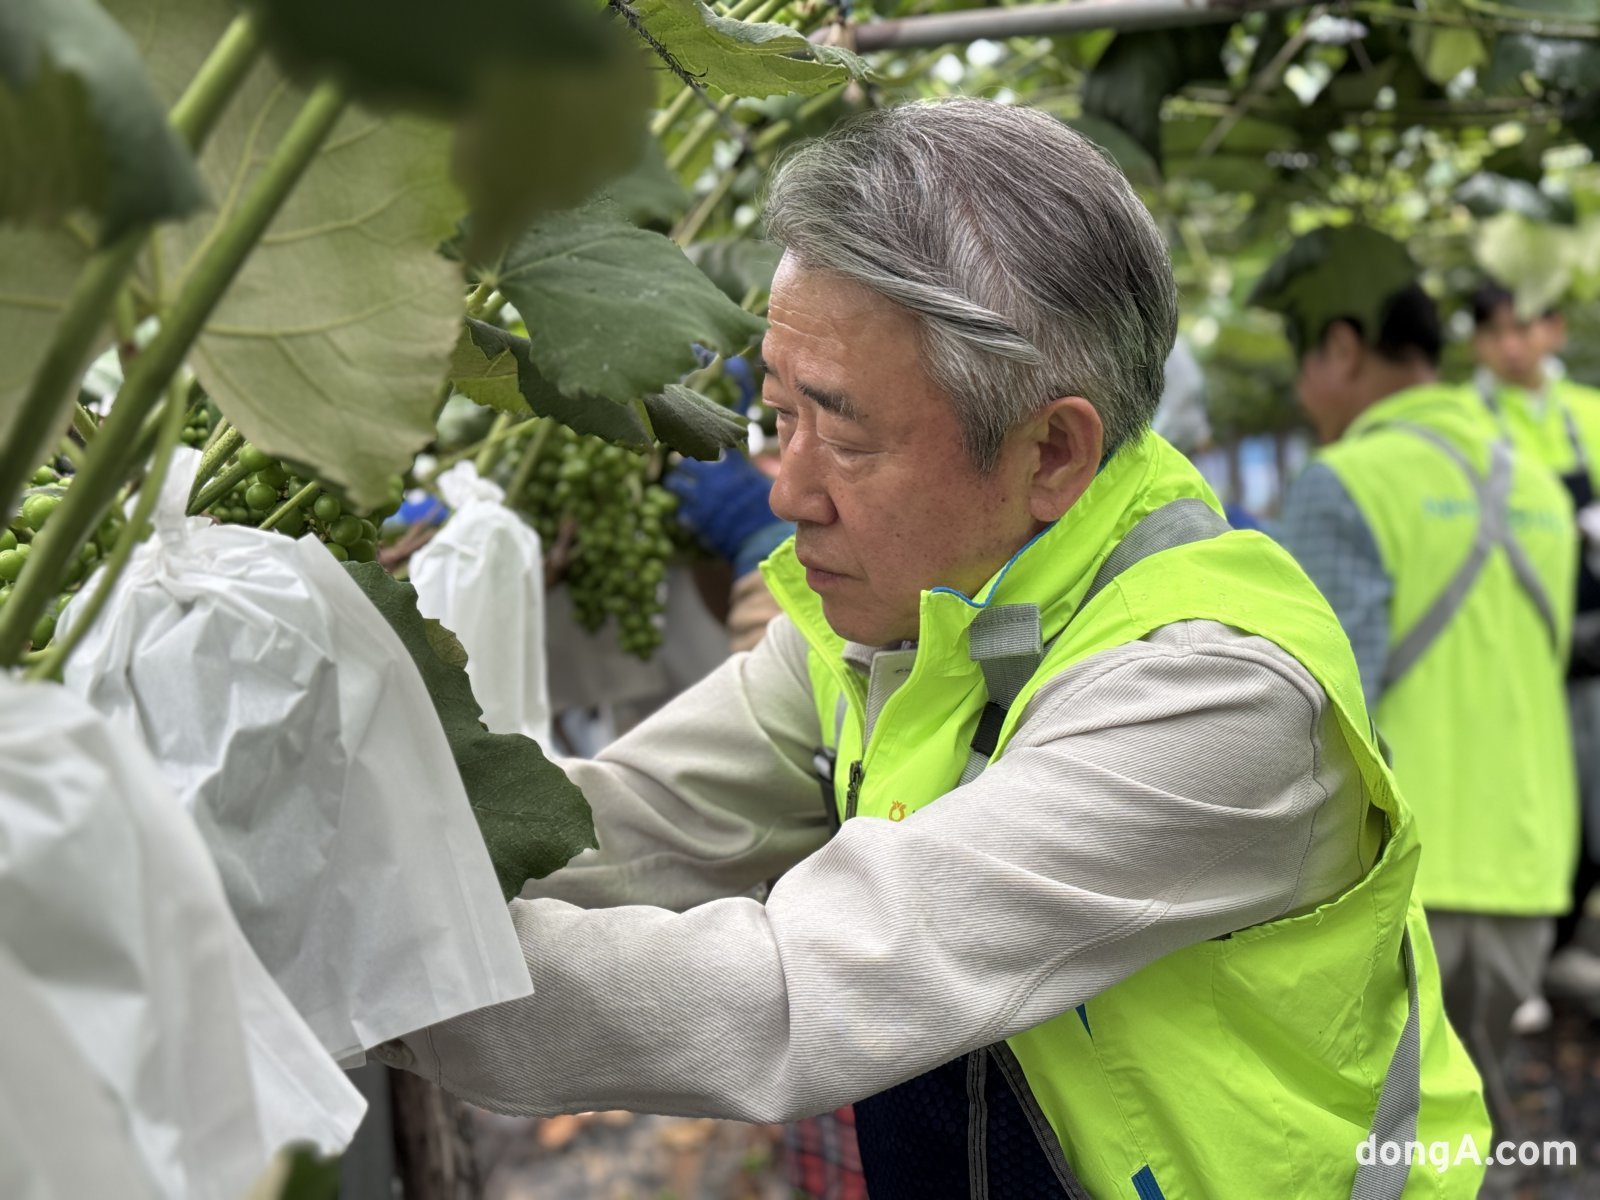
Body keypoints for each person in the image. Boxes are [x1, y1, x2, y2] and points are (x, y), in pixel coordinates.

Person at [375, 99, 1488, 1197]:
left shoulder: (1210, 694)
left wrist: (348, 961)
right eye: (776, 418)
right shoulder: (906, 610)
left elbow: (797, 990)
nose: (790, 490)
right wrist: (349, 852)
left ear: (1050, 451)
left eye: (843, 433)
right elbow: (621, 823)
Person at [1263, 230, 1576, 1138]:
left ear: (1344, 346)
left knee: (1379, 1144)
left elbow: (1318, 707)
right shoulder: (1542, 491)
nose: (1298, 388)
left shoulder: (1347, 482)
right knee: (1464, 1124)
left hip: (1403, 882)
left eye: (1301, 357)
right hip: (1527, 867)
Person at [1471, 282, 1600, 1007]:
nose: (1510, 345)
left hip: (1589, 648)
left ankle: (1555, 948)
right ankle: (1524, 961)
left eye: (1522, 327)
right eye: (1493, 332)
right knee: (1528, 801)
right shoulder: (1471, 422)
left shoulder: (1590, 414)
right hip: (1511, 646)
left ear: (1553, 328)